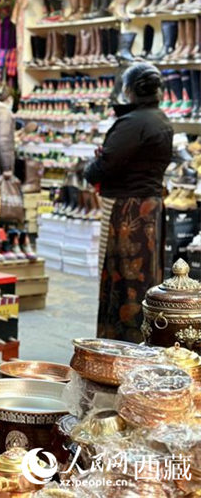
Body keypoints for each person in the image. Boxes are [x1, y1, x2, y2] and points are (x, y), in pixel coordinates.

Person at [84, 63, 172, 343]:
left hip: (129, 210)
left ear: (130, 89)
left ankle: (122, 340)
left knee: (124, 277)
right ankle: (145, 336)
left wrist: (93, 165)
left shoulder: (133, 123)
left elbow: (103, 166)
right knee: (146, 276)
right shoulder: (160, 119)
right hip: (151, 207)